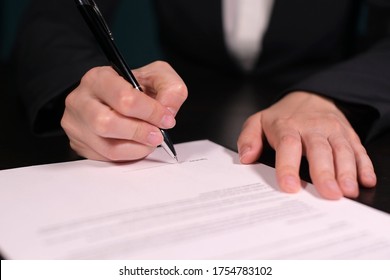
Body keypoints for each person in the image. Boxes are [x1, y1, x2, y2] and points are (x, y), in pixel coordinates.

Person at [12, 0, 390, 200]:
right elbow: (49, 21)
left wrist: (325, 95)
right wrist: (85, 91)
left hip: (316, 94)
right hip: (181, 104)